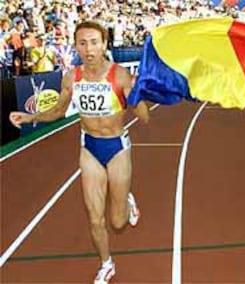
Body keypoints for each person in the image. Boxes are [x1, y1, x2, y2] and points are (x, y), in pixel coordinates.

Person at [9, 21, 150, 284]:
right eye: (83, 43)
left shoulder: (119, 75)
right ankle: (107, 263)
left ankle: (127, 199)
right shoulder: (71, 77)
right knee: (95, 218)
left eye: (94, 42)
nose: (89, 49)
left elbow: (144, 118)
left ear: (104, 44)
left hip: (117, 147)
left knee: (117, 223)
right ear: (75, 46)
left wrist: (135, 94)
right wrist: (30, 118)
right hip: (90, 148)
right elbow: (59, 112)